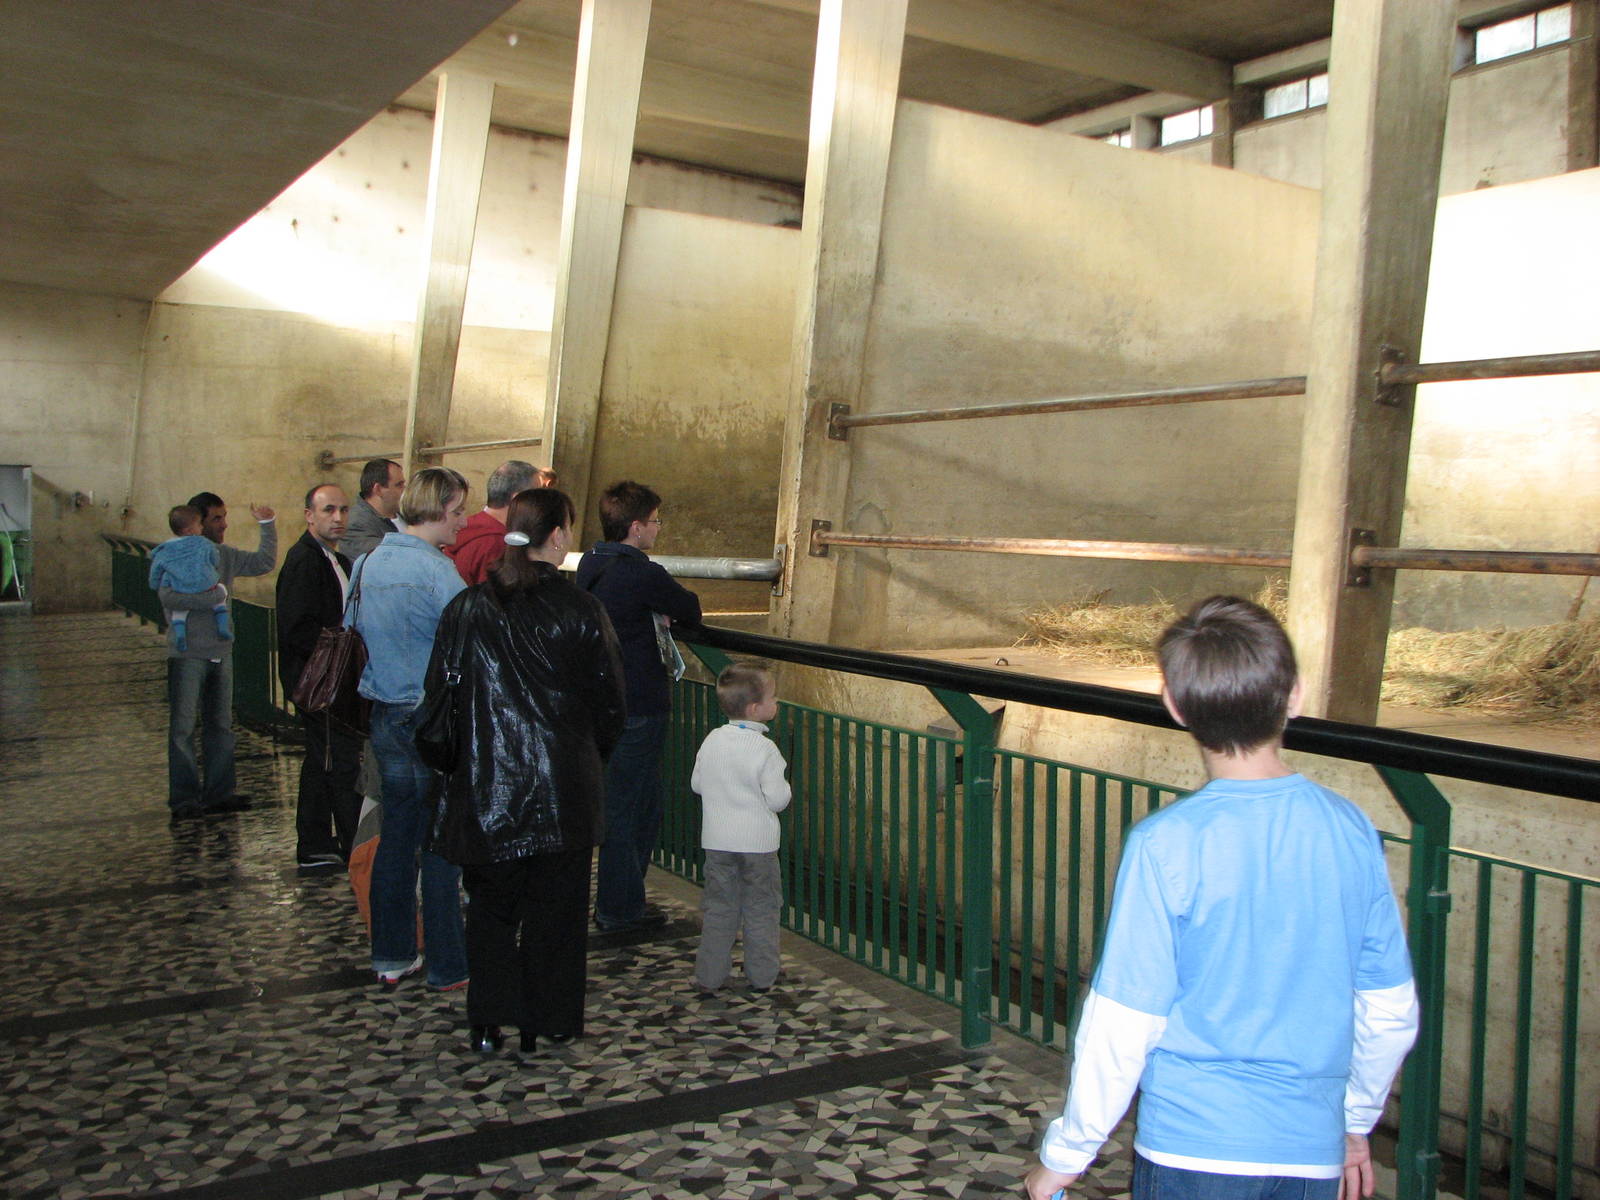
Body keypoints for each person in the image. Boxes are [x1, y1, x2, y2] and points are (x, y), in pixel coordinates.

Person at [1023, 596, 1420, 1200]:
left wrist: (1068, 1154)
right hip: (1310, 1149)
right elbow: (1390, 1009)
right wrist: (1353, 1123)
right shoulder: (1351, 828)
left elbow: (1124, 1022)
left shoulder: (1165, 843)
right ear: (1295, 695)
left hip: (1191, 1142)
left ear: (1175, 706)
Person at [428, 488, 626, 1053]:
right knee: (558, 913)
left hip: (486, 789)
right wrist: (588, 759)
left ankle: (489, 1020)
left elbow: (438, 699)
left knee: (490, 909)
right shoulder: (583, 611)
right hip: (563, 791)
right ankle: (552, 1019)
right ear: (558, 536)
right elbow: (611, 704)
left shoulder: (466, 608)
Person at [347, 467, 470, 989]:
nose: (463, 523)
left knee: (397, 837)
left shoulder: (368, 561)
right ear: (439, 510)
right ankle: (447, 963)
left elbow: (352, 628)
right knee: (442, 841)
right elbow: (470, 641)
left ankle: (391, 955)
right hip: (431, 719)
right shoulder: (439, 573)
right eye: (459, 511)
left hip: (384, 715)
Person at [575, 480, 702, 933]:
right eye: (655, 521)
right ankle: (620, 908)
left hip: (603, 703)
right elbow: (690, 608)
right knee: (631, 809)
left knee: (626, 804)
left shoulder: (591, 562)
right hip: (640, 705)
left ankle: (621, 900)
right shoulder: (641, 572)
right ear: (635, 527)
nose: (658, 529)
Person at [161, 491, 277, 821]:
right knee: (183, 728)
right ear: (195, 525)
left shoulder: (224, 556)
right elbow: (170, 599)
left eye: (225, 517)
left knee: (221, 724)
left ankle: (219, 792)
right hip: (188, 654)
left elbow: (263, 563)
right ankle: (184, 798)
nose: (224, 524)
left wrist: (267, 525)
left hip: (220, 653)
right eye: (216, 518)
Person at [275, 483, 361, 871]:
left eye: (343, 510)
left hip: (332, 681)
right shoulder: (305, 561)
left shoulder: (334, 559)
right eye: (328, 510)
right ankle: (338, 840)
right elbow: (297, 628)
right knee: (333, 761)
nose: (338, 518)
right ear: (309, 515)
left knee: (323, 761)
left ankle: (317, 841)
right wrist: (340, 652)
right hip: (319, 683)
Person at [691, 661, 791, 993]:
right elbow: (777, 800)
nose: (776, 703)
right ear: (755, 708)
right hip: (759, 847)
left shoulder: (712, 740)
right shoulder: (765, 749)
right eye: (773, 698)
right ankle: (762, 975)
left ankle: (709, 976)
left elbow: (697, 784)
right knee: (761, 908)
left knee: (719, 908)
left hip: (717, 842)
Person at [149, 505, 232, 652]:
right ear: (189, 530)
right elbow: (215, 558)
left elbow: (156, 569)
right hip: (206, 586)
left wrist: (154, 585)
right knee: (221, 597)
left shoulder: (165, 549)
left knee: (179, 613)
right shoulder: (204, 543)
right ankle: (222, 627)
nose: (202, 527)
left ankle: (181, 635)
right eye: (199, 524)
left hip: (180, 588)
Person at [444, 459, 540, 585]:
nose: (540, 504)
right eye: (537, 496)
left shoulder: (465, 529)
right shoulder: (498, 543)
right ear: (518, 499)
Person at [341, 458, 404, 561]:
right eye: (399, 485)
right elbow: (386, 559)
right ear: (378, 489)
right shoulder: (355, 524)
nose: (404, 490)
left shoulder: (407, 513)